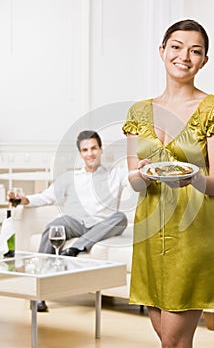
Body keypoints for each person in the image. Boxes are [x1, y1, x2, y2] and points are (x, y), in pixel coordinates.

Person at [122, 19, 214, 348]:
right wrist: (140, 174)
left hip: (194, 234)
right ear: (162, 51)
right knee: (168, 340)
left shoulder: (213, 109)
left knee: (174, 340)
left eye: (195, 51)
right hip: (149, 234)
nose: (184, 56)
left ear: (204, 60)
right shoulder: (138, 112)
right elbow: (134, 181)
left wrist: (194, 178)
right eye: (176, 47)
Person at [7, 130, 128, 312]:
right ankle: (38, 293)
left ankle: (74, 248)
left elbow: (136, 177)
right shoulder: (70, 177)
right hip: (75, 222)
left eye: (94, 148)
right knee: (55, 225)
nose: (90, 153)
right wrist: (22, 199)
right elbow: (45, 197)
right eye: (85, 150)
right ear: (80, 154)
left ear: (101, 149)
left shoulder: (115, 174)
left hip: (100, 225)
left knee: (121, 218)